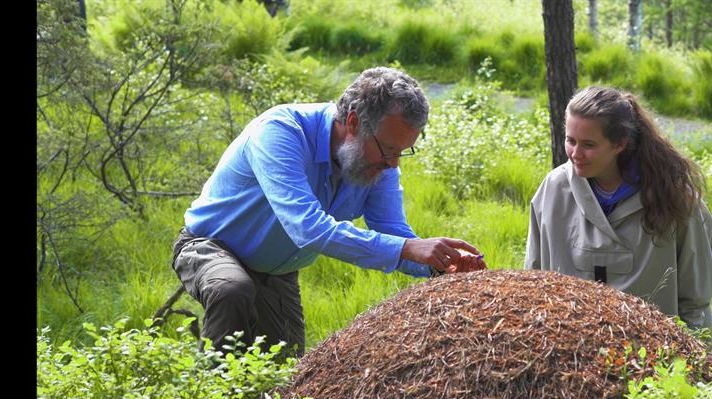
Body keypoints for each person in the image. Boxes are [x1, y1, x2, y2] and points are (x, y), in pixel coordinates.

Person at [172, 67, 486, 357]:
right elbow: (307, 228)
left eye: (403, 152)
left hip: (277, 272)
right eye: (390, 149)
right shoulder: (281, 131)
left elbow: (393, 232)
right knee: (232, 290)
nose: (394, 164)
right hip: (209, 246)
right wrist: (407, 248)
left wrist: (439, 264)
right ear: (353, 123)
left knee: (284, 375)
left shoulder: (378, 163)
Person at [525, 86, 712, 329]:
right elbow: (532, 283)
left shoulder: (675, 197)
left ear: (619, 144)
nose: (575, 153)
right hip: (567, 354)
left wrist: (705, 359)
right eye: (570, 140)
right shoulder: (553, 190)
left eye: (588, 144)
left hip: (648, 358)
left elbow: (696, 301)